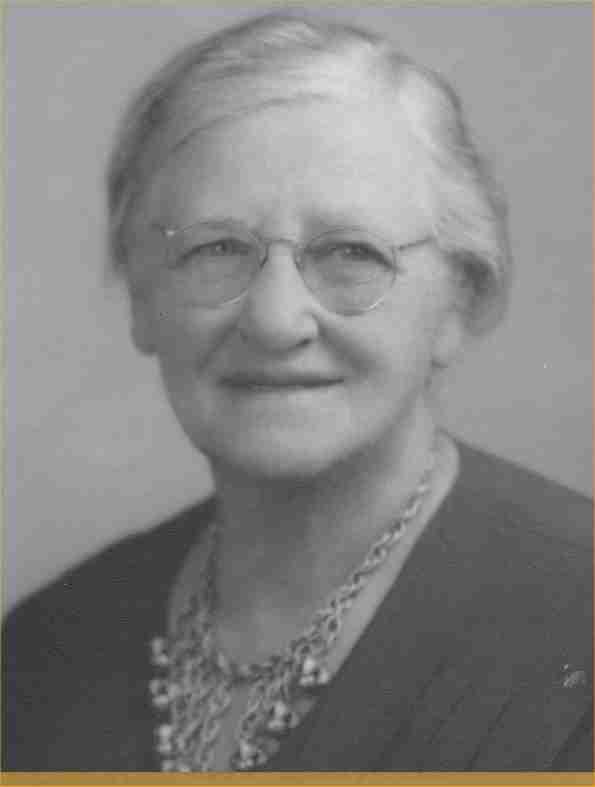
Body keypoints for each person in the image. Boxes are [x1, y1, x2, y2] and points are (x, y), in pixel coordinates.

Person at [3, 12, 592, 773]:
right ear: (142, 299)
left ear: (459, 300)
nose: (276, 320)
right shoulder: (42, 653)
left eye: (350, 252)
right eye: (217, 248)